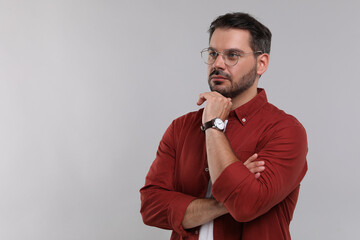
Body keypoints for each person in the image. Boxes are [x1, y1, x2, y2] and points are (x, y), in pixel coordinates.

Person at [140, 12, 308, 240]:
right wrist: (222, 202)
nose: (218, 63)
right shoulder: (181, 128)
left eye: (232, 55)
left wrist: (213, 126)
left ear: (261, 63)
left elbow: (246, 205)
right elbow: (151, 207)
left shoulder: (285, 130)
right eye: (213, 54)